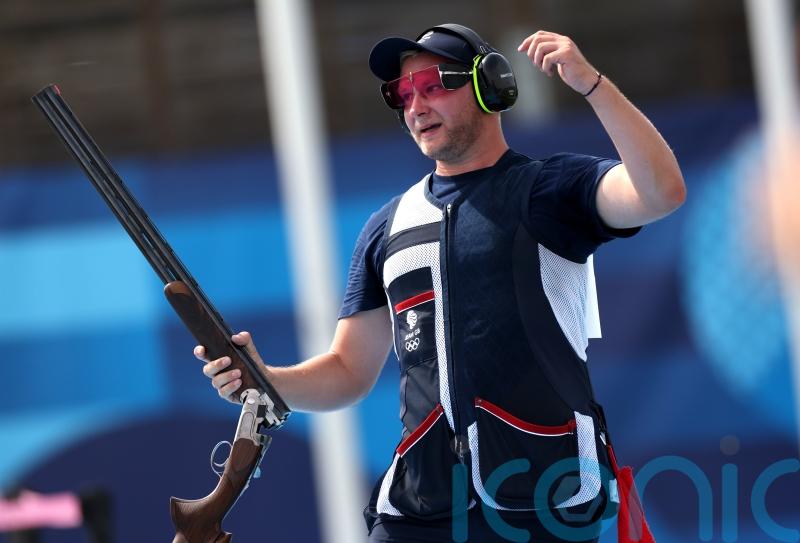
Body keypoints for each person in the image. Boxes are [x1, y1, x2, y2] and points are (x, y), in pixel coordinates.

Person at [195, 23, 685, 543]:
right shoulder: (387, 227)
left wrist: (593, 85)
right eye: (402, 94)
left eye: (433, 85)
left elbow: (661, 191)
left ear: (490, 85)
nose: (416, 106)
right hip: (420, 506)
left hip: (546, 500)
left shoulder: (549, 189)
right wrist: (265, 380)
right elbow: (348, 371)